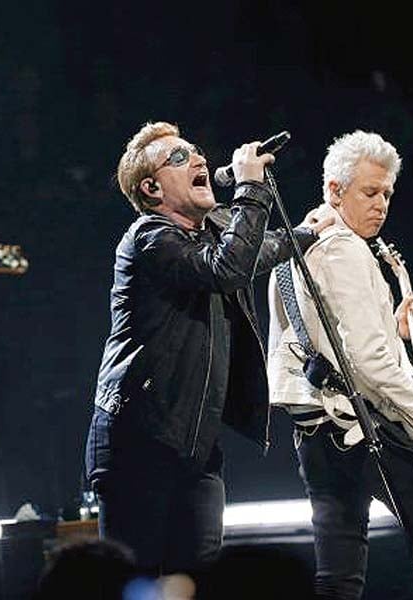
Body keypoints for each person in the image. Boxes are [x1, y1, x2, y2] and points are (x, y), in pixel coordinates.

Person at [84, 121, 331, 576]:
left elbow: (252, 253)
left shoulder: (209, 238)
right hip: (141, 442)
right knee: (135, 584)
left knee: (198, 580)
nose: (199, 159)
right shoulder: (148, 238)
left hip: (196, 447)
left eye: (196, 151)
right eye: (179, 157)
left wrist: (305, 232)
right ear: (152, 187)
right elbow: (227, 269)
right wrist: (251, 188)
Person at [268, 130, 413, 599]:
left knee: (339, 572)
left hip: (314, 432)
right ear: (334, 190)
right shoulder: (345, 249)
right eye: (370, 192)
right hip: (357, 429)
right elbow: (368, 363)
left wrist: (392, 330)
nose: (382, 204)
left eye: (387, 193)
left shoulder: (294, 246)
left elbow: (323, 337)